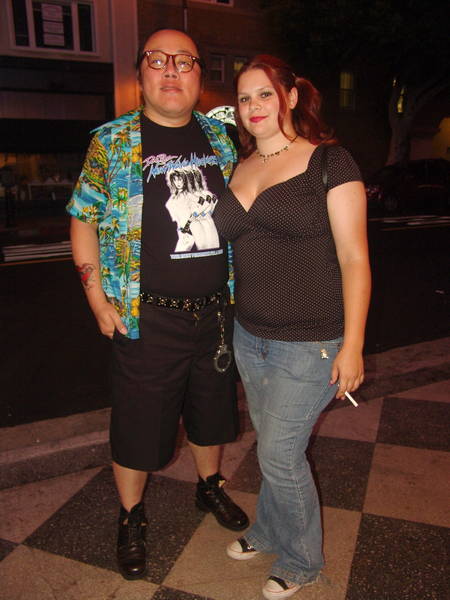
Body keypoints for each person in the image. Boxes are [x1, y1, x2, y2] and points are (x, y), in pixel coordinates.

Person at [67, 29, 248, 581]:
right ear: (141, 74)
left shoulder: (223, 141)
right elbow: (82, 220)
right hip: (147, 317)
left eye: (184, 61)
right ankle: (131, 515)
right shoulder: (113, 142)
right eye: (158, 60)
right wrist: (97, 300)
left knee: (213, 414)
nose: (171, 70)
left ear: (199, 77)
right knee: (138, 424)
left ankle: (209, 486)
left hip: (216, 313)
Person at [213, 55, 371, 600]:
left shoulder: (329, 161)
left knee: (280, 454)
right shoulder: (239, 166)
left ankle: (302, 561)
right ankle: (268, 531)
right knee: (271, 447)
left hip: (313, 342)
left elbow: (354, 258)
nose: (253, 106)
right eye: (243, 98)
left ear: (291, 97)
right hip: (250, 335)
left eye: (264, 94)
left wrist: (353, 345)